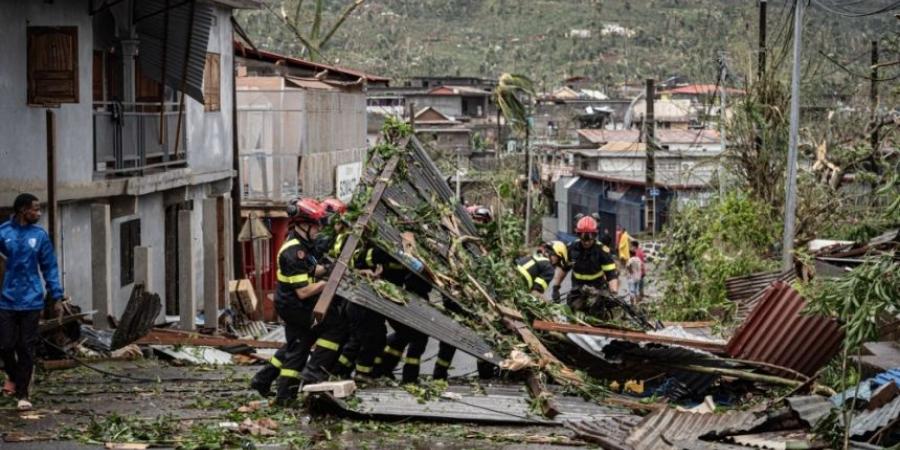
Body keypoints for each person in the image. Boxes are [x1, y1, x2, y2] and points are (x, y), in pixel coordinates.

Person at [249, 197, 327, 404]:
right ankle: (284, 396)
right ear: (302, 225)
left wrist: (329, 270)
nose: (318, 230)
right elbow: (304, 291)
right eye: (314, 226)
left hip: (293, 304)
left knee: (295, 344)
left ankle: (262, 379)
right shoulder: (294, 251)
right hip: (294, 305)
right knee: (299, 349)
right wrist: (326, 283)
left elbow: (312, 269)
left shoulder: (302, 244)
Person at [0, 193, 65, 411]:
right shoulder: (3, 233)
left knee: (25, 347)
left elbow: (50, 267)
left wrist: (56, 296)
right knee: (5, 345)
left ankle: (23, 394)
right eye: (35, 209)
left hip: (32, 300)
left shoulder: (39, 236)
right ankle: (14, 376)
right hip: (6, 299)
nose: (38, 213)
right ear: (22, 211)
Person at [554, 215, 619, 306]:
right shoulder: (571, 248)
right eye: (584, 240)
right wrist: (556, 287)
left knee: (598, 314)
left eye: (589, 240)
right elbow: (563, 268)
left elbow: (611, 275)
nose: (586, 243)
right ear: (578, 235)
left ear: (595, 235)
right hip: (577, 290)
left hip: (597, 291)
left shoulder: (602, 251)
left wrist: (614, 293)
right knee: (573, 312)